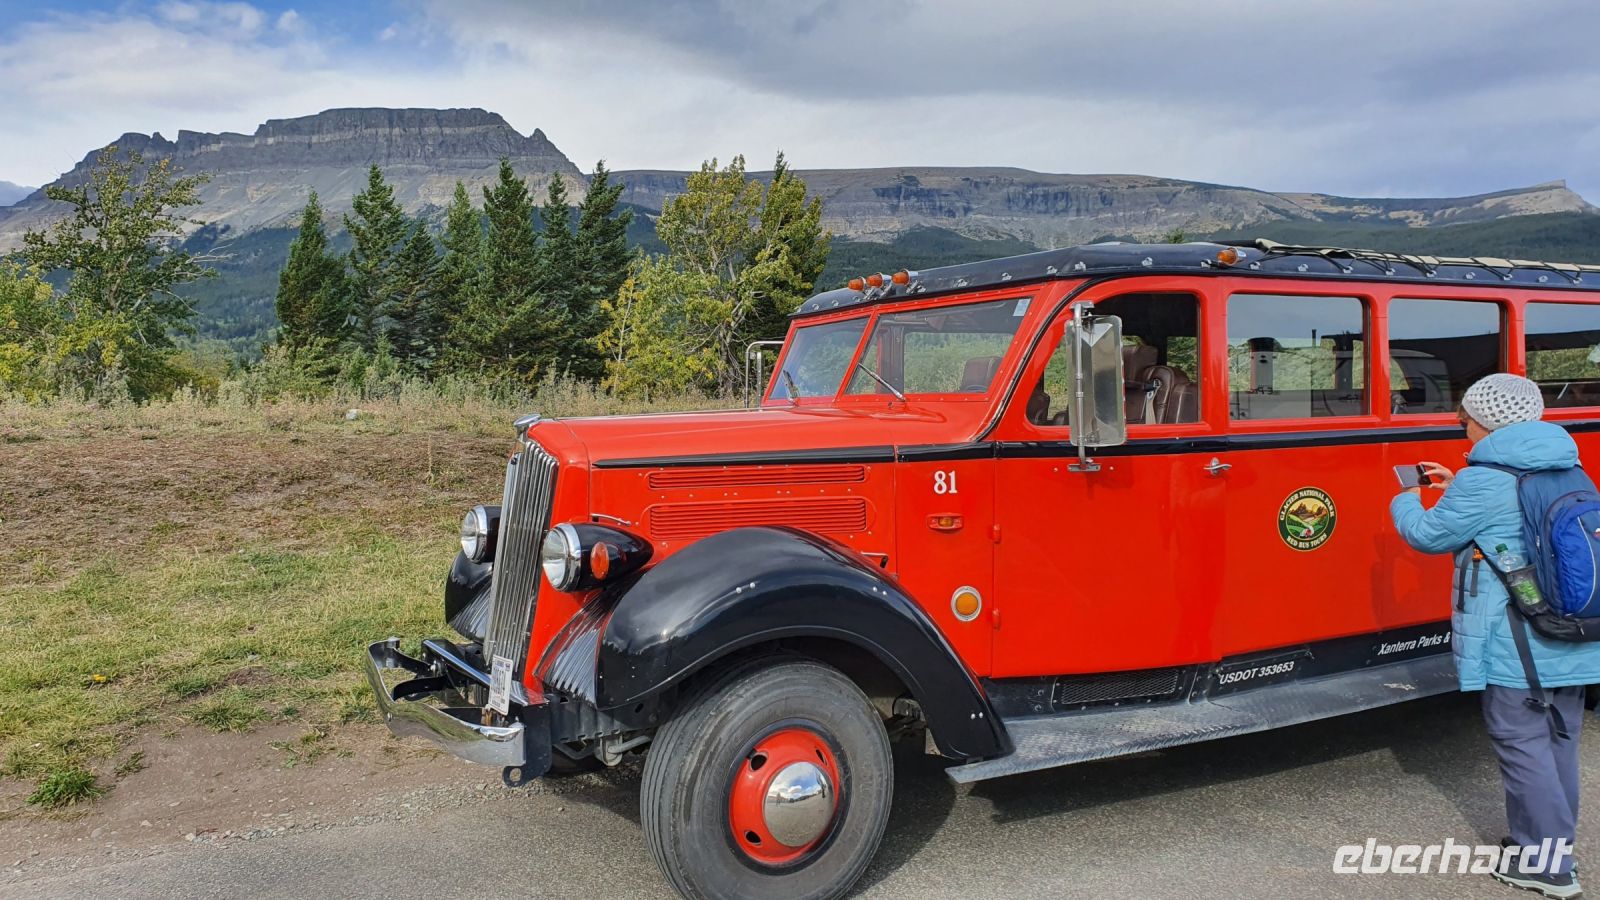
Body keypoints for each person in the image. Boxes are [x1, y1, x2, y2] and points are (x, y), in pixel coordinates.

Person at [1391, 373, 1600, 900]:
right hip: (1574, 634)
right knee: (1557, 742)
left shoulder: (1485, 480)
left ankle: (1548, 869)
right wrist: (1455, 482)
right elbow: (1510, 516)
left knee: (1521, 742)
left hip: (1518, 639)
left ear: (1483, 420)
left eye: (1464, 415)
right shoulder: (1564, 463)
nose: (1460, 422)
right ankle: (1545, 846)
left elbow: (1427, 535)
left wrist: (1406, 497)